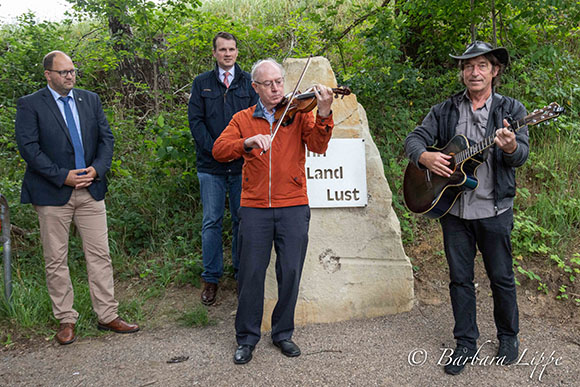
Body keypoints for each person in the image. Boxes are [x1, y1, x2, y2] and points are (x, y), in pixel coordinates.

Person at [405, 41, 529, 375]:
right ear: (462, 72)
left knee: (501, 277)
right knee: (460, 280)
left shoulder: (512, 111)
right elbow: (413, 139)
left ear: (495, 71)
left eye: (482, 66)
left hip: (494, 209)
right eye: (468, 66)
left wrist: (511, 145)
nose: (474, 72)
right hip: (455, 212)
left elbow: (520, 156)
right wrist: (425, 156)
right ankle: (465, 344)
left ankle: (508, 336)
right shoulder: (445, 110)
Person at [212, 59, 335, 364]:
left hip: (293, 205)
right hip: (255, 209)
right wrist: (247, 142)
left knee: (290, 271)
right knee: (251, 273)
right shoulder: (243, 118)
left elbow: (319, 146)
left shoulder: (297, 114)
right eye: (268, 83)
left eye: (279, 81)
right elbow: (218, 150)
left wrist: (323, 111)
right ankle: (247, 338)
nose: (276, 88)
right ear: (255, 87)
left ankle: (283, 333)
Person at [15, 51, 139, 345]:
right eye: (63, 72)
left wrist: (97, 169)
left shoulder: (90, 99)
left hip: (90, 190)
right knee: (56, 259)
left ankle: (107, 315)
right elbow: (29, 148)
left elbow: (107, 139)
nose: (70, 76)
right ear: (48, 75)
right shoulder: (31, 104)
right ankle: (66, 319)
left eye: (72, 71)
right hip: (52, 192)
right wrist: (62, 175)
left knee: (99, 254)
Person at [188, 32, 258, 306]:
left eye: (231, 49)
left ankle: (243, 277)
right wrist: (217, 150)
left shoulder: (248, 83)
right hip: (210, 166)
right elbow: (195, 122)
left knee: (243, 222)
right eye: (222, 49)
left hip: (243, 164)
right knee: (212, 222)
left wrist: (236, 150)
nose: (227, 54)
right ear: (214, 53)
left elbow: (255, 119)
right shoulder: (201, 83)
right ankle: (211, 279)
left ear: (237, 52)